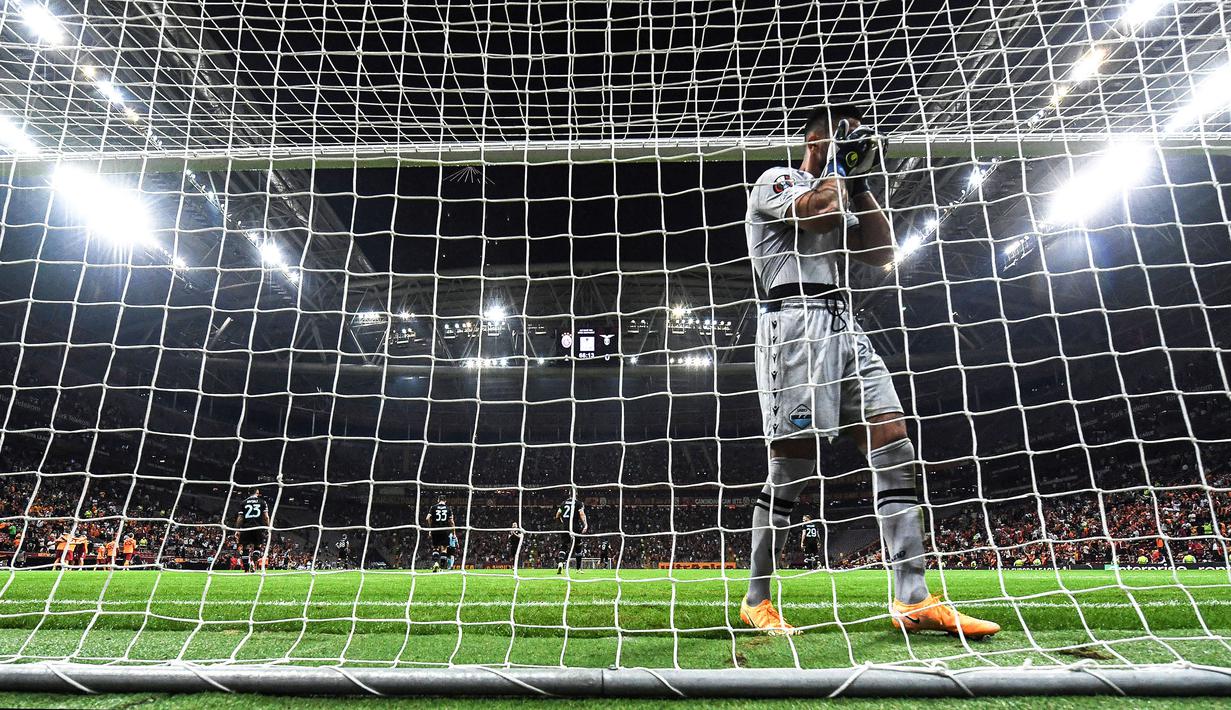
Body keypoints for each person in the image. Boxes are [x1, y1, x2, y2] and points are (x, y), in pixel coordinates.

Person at [741, 103, 999, 638]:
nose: (853, 144)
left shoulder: (842, 188)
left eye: (858, 138)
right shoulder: (777, 180)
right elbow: (816, 213)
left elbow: (881, 252)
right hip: (792, 326)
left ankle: (912, 597)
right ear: (813, 141)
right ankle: (756, 599)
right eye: (842, 137)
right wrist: (838, 166)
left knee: (895, 442)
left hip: (843, 322)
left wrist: (860, 184)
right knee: (791, 464)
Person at [234, 488, 271, 573]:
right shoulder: (262, 502)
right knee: (257, 546)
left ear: (248, 493)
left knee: (245, 548)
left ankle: (246, 570)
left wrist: (237, 529)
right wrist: (268, 527)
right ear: (257, 493)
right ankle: (254, 564)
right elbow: (266, 517)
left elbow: (240, 518)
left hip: (246, 527)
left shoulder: (243, 502)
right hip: (258, 527)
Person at [554, 491, 588, 575]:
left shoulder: (563, 503)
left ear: (569, 494)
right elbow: (582, 514)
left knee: (564, 546)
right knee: (578, 547)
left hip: (565, 527)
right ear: (576, 494)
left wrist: (561, 523)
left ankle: (561, 563)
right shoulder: (578, 503)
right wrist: (585, 525)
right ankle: (578, 569)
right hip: (575, 526)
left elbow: (557, 515)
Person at [425, 496, 454, 572]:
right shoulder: (448, 508)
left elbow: (427, 518)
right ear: (445, 501)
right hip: (444, 530)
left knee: (435, 548)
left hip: (435, 530)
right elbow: (451, 522)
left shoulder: (433, 507)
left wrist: (431, 528)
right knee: (444, 549)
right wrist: (454, 532)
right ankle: (441, 567)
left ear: (438, 500)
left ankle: (435, 563)